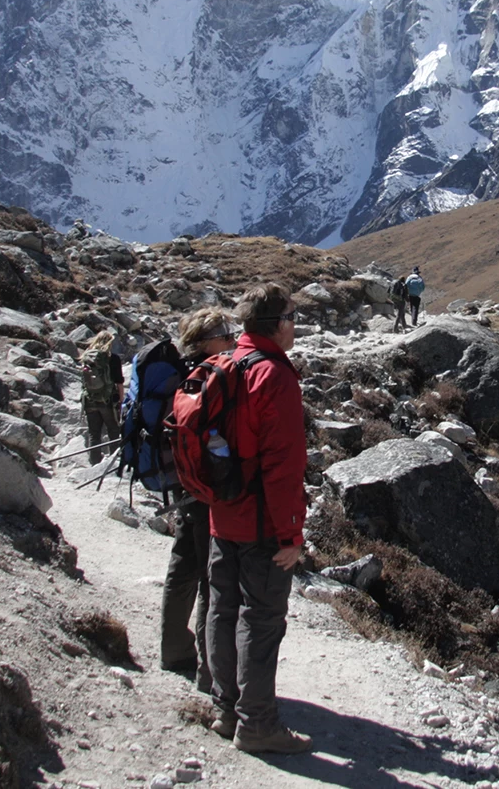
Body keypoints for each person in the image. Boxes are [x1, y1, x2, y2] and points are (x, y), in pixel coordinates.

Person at [204, 283, 312, 754]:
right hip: (263, 522)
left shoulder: (222, 363)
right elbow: (284, 465)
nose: (296, 324)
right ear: (276, 325)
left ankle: (225, 710)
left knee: (222, 609)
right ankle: (258, 724)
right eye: (292, 316)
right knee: (262, 619)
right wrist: (292, 534)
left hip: (220, 513)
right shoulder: (275, 376)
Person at [159, 307, 238, 690]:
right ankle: (211, 673)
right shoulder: (210, 377)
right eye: (225, 334)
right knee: (213, 576)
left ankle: (173, 650)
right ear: (206, 339)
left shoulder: (178, 374)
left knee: (183, 562)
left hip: (181, 480)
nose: (232, 339)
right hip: (204, 486)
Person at [79, 329, 123, 464]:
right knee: (113, 430)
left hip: (90, 399)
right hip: (107, 400)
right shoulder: (113, 358)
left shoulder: (86, 357)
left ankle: (94, 462)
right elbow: (119, 381)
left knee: (94, 433)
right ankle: (114, 462)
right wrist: (120, 399)